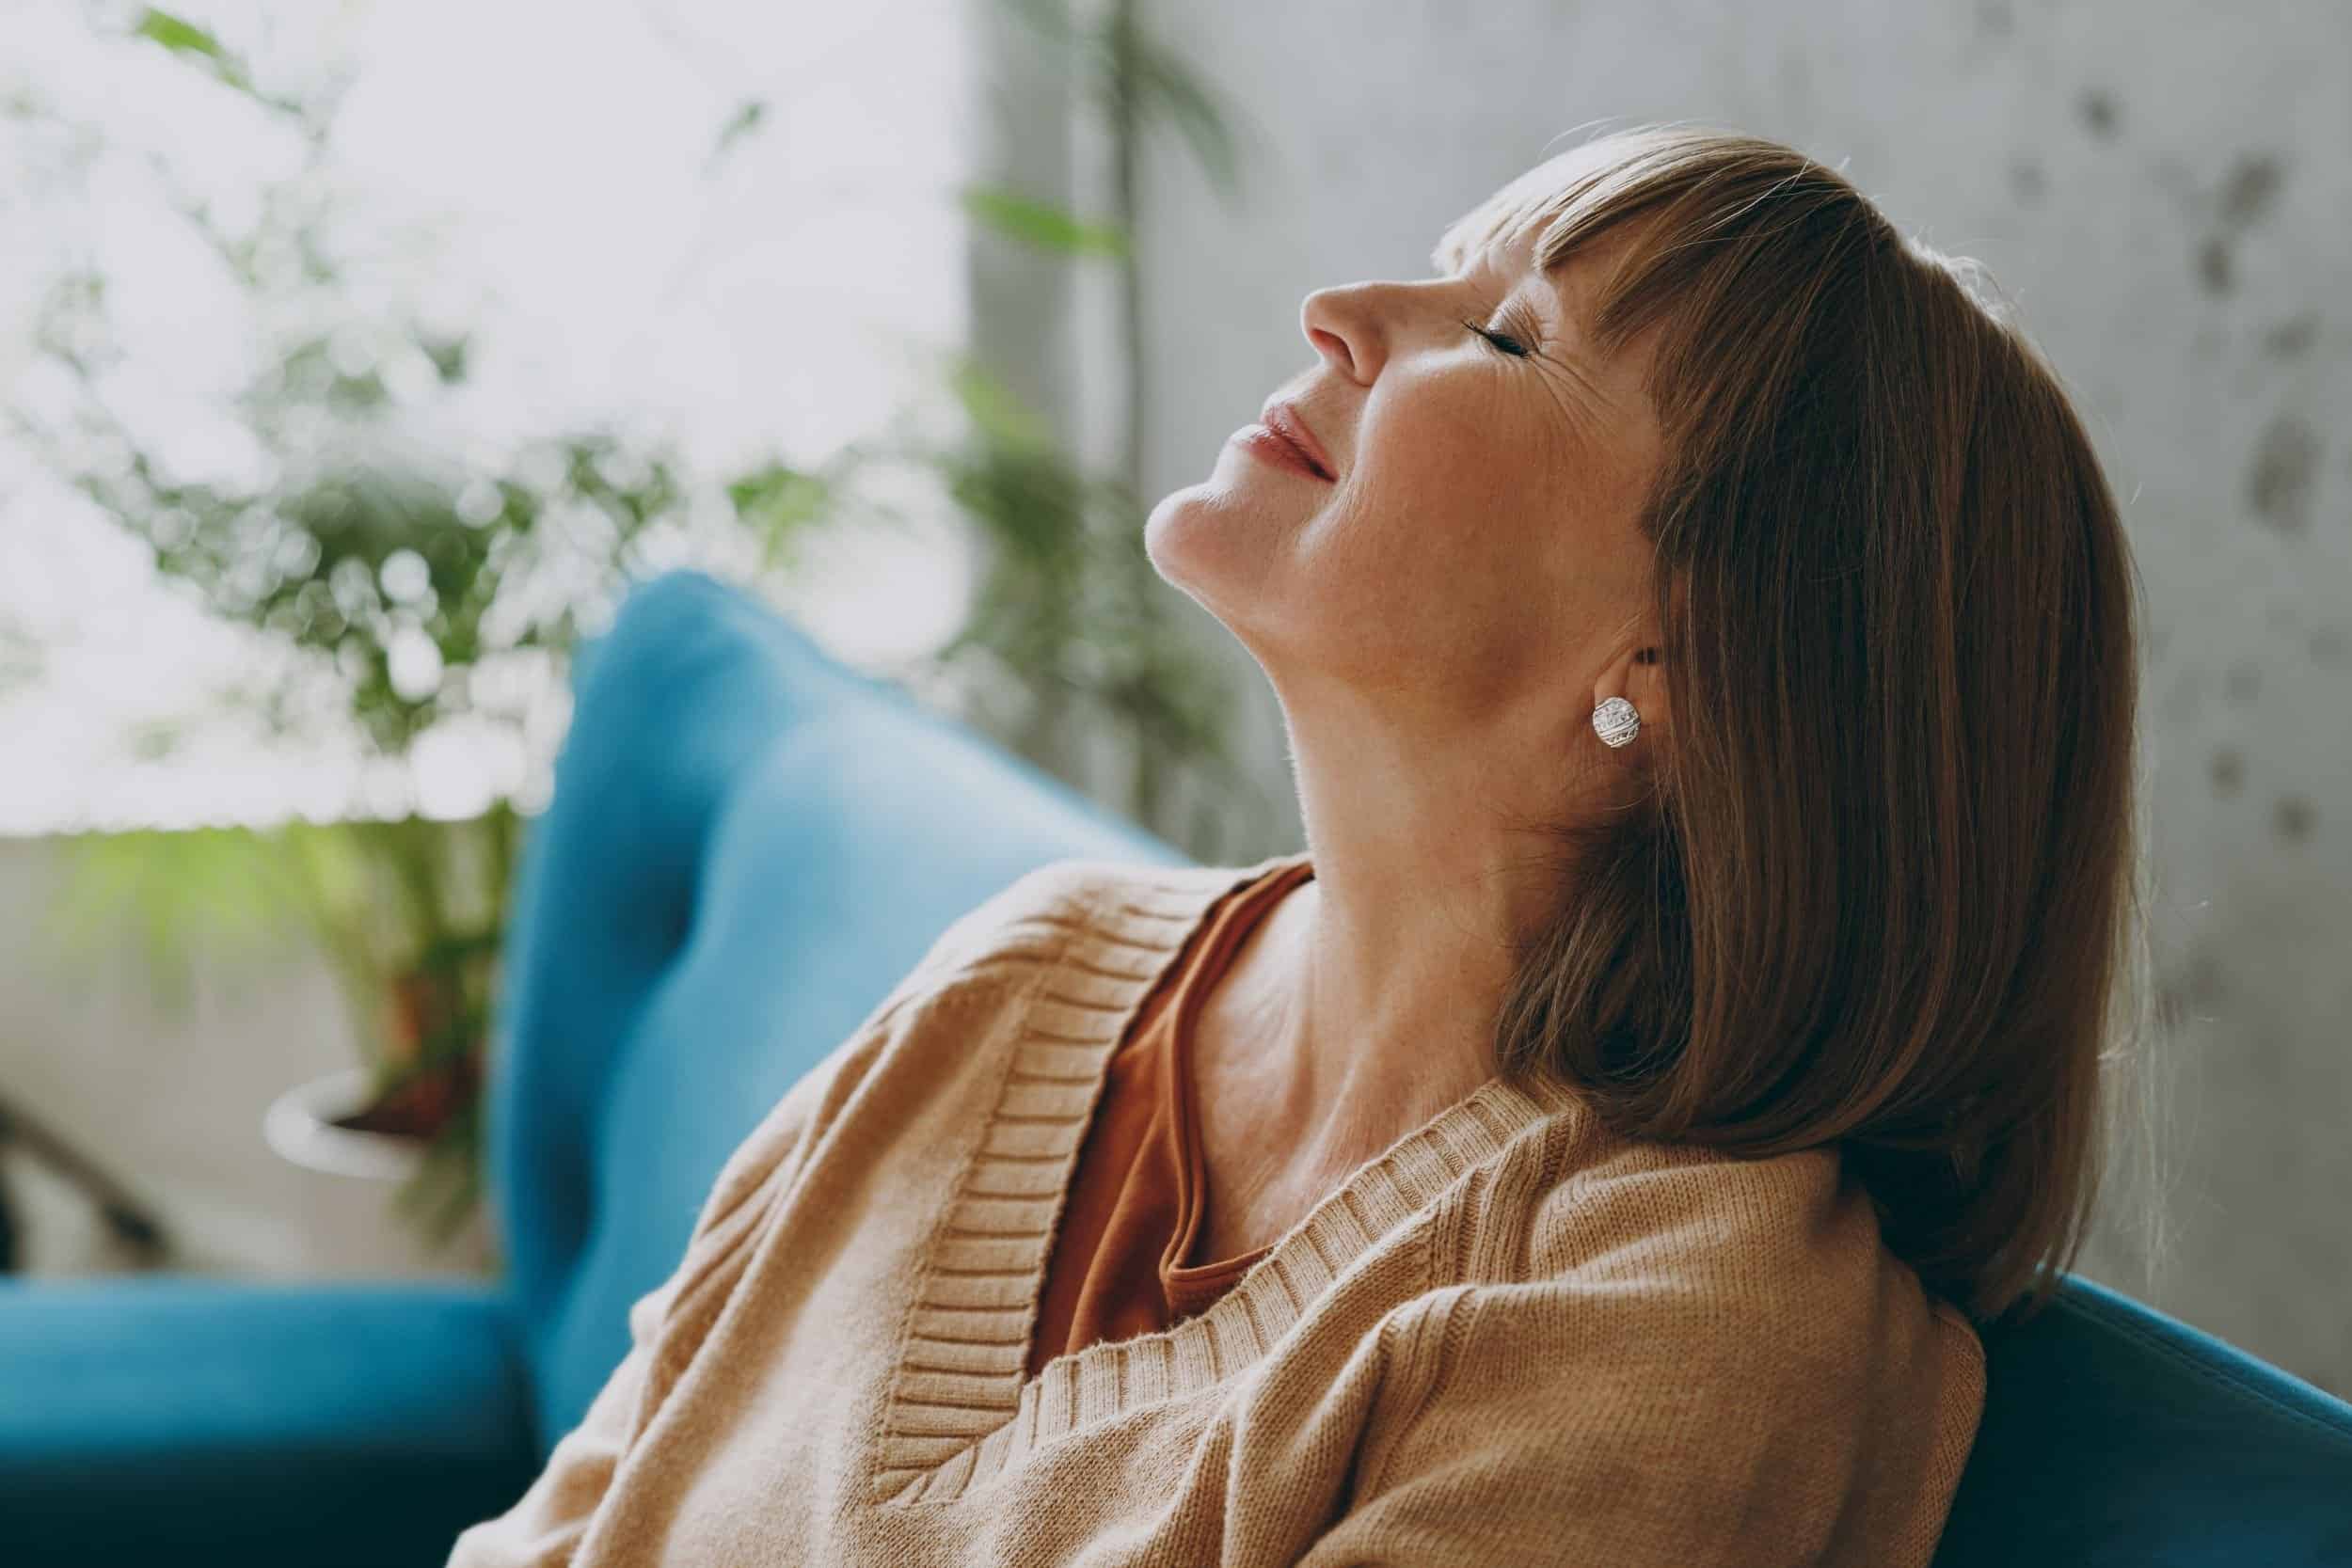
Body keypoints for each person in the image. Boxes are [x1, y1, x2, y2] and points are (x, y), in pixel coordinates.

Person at [448, 120, 2153, 1567]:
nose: (1340, 312)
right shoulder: (1032, 969)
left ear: (1688, 667)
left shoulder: (1677, 1326)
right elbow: (563, 1523)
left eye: (1503, 338)